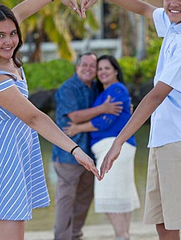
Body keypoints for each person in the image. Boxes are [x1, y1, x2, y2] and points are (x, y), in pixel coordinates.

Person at [80, 0, 181, 240]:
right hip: (163, 139)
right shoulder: (175, 23)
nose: (173, 4)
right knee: (163, 223)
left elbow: (155, 96)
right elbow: (143, 8)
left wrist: (119, 140)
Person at [0, 0, 101, 240]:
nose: (9, 40)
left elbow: (21, 11)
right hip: (2, 155)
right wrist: (75, 150)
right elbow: (34, 118)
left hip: (13, 149)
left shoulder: (5, 55)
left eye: (12, 33)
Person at [64, 55, 140, 240]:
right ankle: (124, 235)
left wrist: (77, 128)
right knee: (121, 195)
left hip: (112, 146)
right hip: (117, 147)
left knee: (108, 194)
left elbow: (106, 121)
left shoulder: (117, 89)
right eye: (100, 69)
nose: (102, 72)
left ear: (115, 70)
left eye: (107, 68)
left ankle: (122, 235)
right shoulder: (105, 93)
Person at [53, 52, 123, 240]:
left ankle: (75, 235)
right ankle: (62, 237)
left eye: (93, 66)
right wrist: (103, 109)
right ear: (77, 67)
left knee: (84, 198)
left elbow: (114, 112)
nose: (89, 69)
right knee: (66, 200)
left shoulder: (96, 88)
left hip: (90, 153)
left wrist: (126, 109)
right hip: (68, 154)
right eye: (84, 64)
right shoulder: (68, 88)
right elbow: (74, 116)